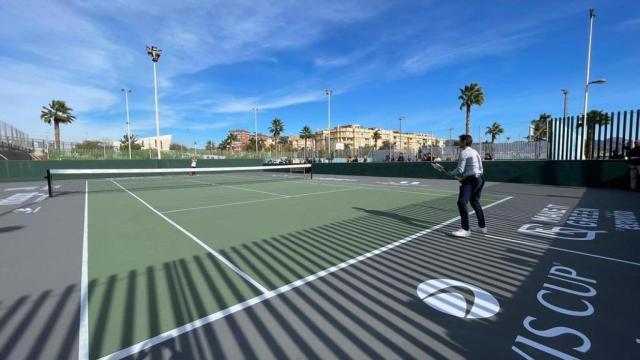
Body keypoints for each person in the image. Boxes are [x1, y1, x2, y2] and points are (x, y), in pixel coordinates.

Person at [448, 134, 486, 237]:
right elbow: (479, 167)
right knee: (474, 202)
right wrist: (465, 178)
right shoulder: (475, 151)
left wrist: (452, 173)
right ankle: (482, 227)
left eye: (460, 140)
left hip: (472, 180)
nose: (458, 142)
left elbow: (460, 169)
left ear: (464, 142)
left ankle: (465, 229)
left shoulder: (464, 152)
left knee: (461, 202)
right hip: (481, 178)